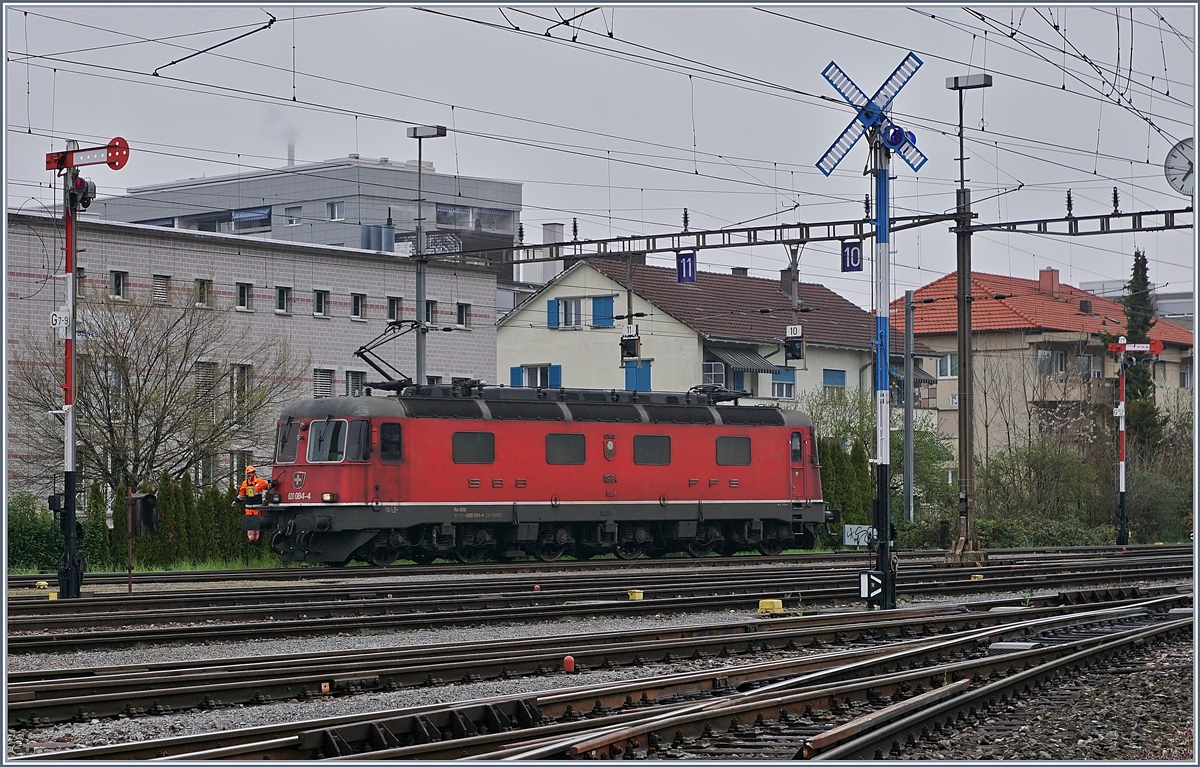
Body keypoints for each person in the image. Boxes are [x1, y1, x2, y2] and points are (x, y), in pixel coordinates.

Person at [233, 465, 269, 541]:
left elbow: (268, 487)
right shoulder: (244, 484)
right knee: (250, 525)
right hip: (248, 508)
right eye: (248, 473)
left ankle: (257, 540)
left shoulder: (259, 482)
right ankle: (251, 539)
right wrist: (236, 501)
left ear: (254, 473)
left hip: (257, 508)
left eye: (251, 473)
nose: (250, 474)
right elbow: (241, 495)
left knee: (257, 524)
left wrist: (273, 484)